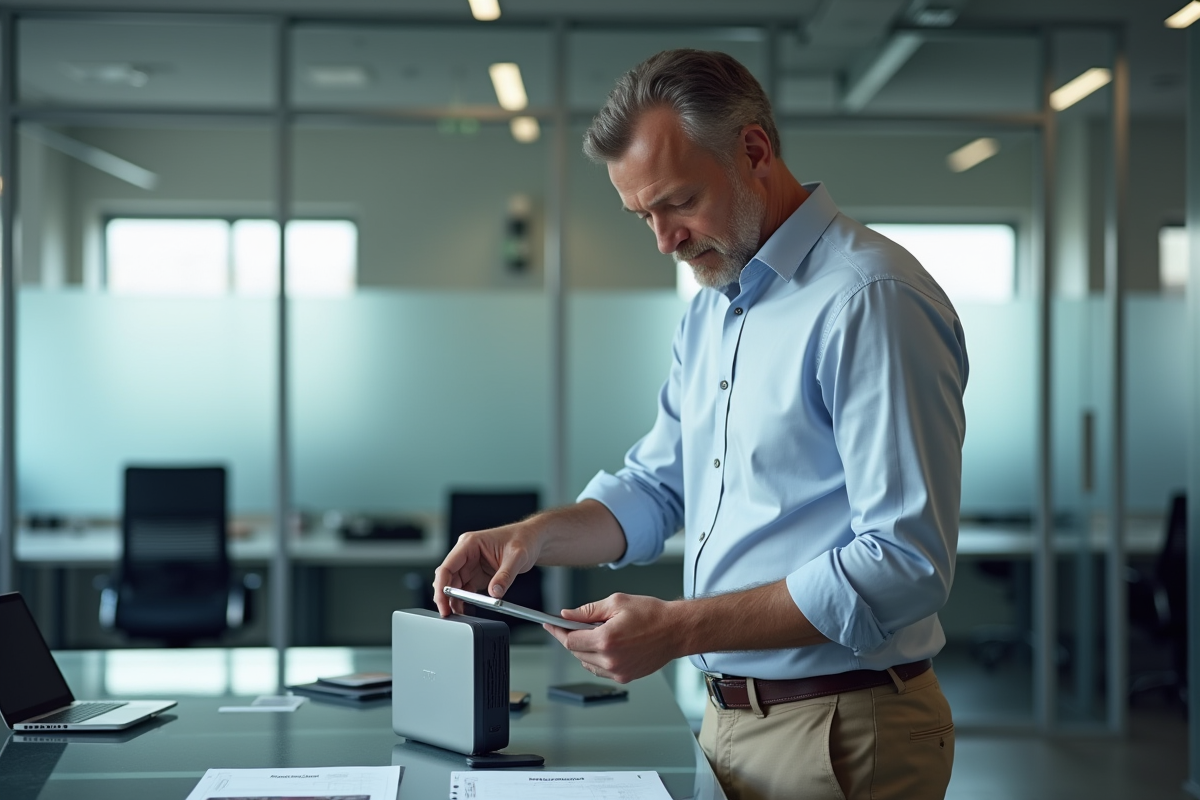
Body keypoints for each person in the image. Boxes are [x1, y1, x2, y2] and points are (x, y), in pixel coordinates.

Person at [433, 48, 967, 800]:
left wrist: (679, 629)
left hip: (845, 729)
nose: (664, 239)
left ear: (754, 151)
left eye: (678, 201)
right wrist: (529, 539)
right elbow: (655, 489)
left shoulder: (869, 299)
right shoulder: (712, 312)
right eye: (642, 215)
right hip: (729, 723)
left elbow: (904, 564)